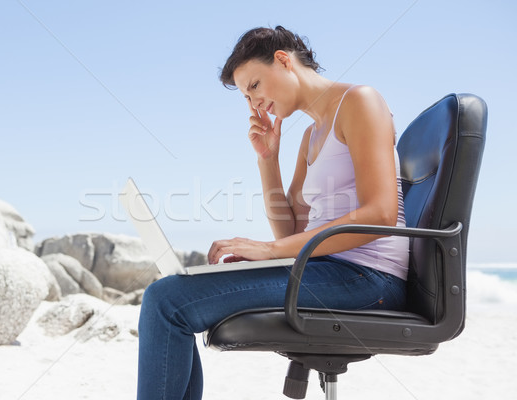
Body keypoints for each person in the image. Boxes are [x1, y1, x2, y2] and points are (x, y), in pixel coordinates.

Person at [136, 25, 409, 400]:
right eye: (246, 96)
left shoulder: (361, 100)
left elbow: (380, 214)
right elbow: (290, 233)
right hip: (326, 269)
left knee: (166, 301)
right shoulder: (311, 136)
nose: (253, 104)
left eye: (254, 86)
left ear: (283, 61)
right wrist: (267, 160)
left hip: (369, 277)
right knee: (171, 299)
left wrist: (265, 252)